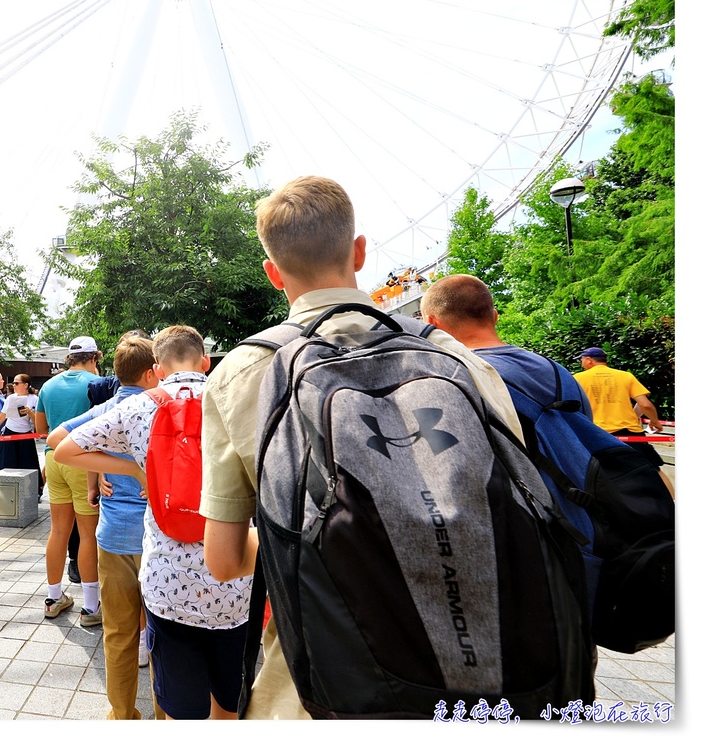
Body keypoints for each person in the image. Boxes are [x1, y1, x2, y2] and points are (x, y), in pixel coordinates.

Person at [198, 176, 525, 719]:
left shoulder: (243, 373)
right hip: (485, 669)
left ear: (273, 272)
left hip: (321, 688)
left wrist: (323, 537)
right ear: (359, 252)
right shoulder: (450, 353)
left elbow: (225, 560)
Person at [56, 325, 250, 720]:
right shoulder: (237, 400)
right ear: (206, 361)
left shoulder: (138, 406)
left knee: (142, 655)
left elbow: (63, 449)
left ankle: (125, 715)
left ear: (158, 368)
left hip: (167, 576)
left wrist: (135, 468)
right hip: (231, 575)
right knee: (228, 702)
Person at [47, 332, 160, 718]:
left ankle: (122, 716)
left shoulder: (108, 410)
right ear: (152, 371)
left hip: (112, 536)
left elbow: (55, 437)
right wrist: (139, 469)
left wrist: (102, 463)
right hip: (157, 537)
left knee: (117, 632)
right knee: (162, 634)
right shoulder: (161, 408)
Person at [33, 336, 103, 622]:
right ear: (94, 358)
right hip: (84, 460)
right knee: (88, 534)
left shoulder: (48, 386)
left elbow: (40, 427)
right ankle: (91, 607)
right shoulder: (97, 384)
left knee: (58, 531)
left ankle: (53, 597)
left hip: (54, 459)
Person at [574, 346, 667, 471]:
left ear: (589, 360)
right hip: (631, 432)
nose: (582, 363)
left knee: (601, 474)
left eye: (582, 360)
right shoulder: (625, 376)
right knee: (653, 472)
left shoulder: (578, 378)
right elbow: (644, 404)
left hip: (598, 433)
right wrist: (654, 421)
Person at [0, 373, 41, 473]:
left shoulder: (35, 399)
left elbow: (37, 421)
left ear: (25, 385)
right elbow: (1, 417)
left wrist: (29, 412)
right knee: (5, 462)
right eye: (13, 383)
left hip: (26, 433)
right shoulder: (10, 398)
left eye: (16, 383)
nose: (14, 385)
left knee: (28, 463)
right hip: (10, 430)